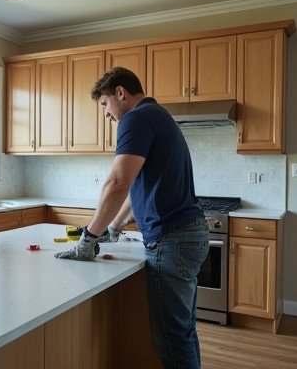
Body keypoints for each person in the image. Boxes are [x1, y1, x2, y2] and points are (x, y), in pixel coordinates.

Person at [55, 67, 209, 368]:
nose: (105, 114)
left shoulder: (136, 118)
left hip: (172, 239)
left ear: (121, 94)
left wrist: (89, 239)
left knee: (172, 336)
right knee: (182, 330)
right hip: (186, 235)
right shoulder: (156, 115)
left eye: (104, 104)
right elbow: (135, 190)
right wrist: (113, 227)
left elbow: (117, 183)